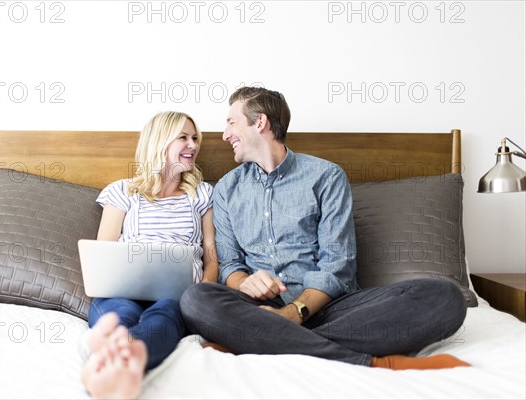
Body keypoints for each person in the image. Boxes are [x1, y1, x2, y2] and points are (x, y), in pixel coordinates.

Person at [179, 87, 470, 370]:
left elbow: (337, 266)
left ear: (260, 122)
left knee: (445, 297)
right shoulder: (228, 188)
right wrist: (245, 282)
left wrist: (294, 313)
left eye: (231, 122)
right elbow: (230, 265)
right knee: (196, 299)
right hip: (259, 310)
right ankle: (363, 360)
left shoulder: (326, 176)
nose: (225, 134)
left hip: (332, 309)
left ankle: (259, 341)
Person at [81, 111, 218, 399]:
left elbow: (212, 256)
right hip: (122, 289)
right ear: (159, 142)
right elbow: (103, 253)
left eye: (195, 138)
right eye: (183, 137)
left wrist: (204, 291)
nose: (193, 145)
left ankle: (124, 358)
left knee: (164, 318)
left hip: (176, 295)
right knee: (120, 313)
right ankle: (113, 354)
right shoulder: (123, 191)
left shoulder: (202, 194)